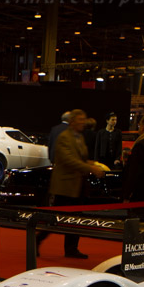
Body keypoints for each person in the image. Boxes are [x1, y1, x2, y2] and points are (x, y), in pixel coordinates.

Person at [42, 108, 105, 259]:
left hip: (77, 185)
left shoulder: (80, 137)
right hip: (65, 186)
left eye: (84, 119)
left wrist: (93, 163)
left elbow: (80, 158)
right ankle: (38, 239)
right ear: (72, 121)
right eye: (80, 120)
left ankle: (71, 249)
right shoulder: (64, 137)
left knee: (76, 218)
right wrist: (90, 168)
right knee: (56, 218)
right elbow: (69, 160)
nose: (83, 122)